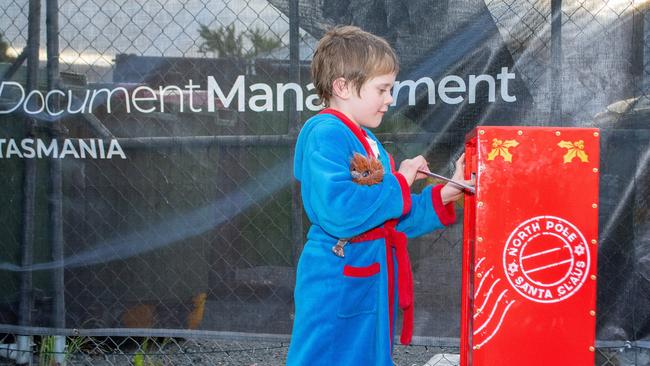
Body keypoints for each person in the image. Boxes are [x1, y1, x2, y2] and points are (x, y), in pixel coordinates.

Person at [287, 25, 472, 366]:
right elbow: (340, 210)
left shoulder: (367, 142)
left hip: (368, 274)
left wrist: (445, 194)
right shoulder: (325, 133)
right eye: (382, 89)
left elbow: (388, 220)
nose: (389, 99)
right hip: (337, 280)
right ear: (342, 86)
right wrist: (400, 180)